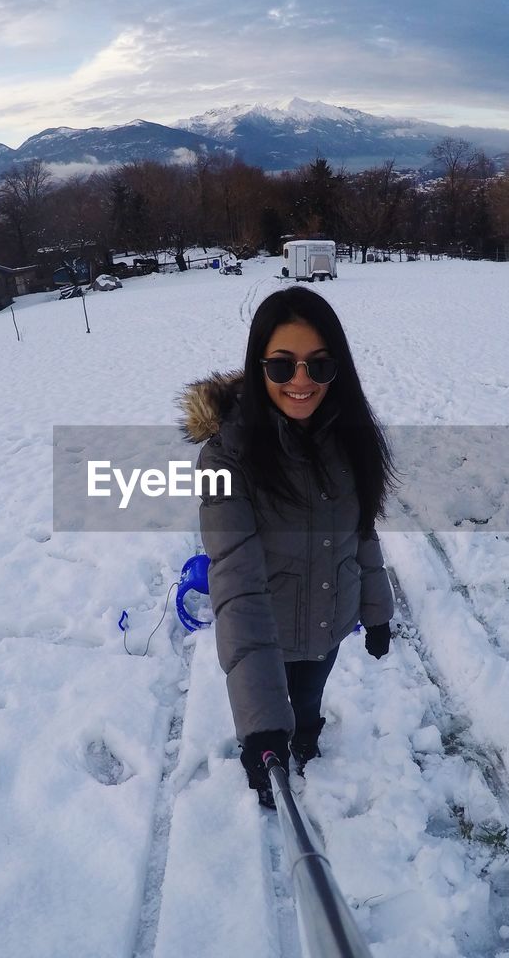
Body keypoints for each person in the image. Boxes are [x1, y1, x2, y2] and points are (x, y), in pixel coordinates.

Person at [179, 286, 396, 808]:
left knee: (308, 699)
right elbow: (235, 577)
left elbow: (361, 533)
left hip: (329, 621)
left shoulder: (350, 440)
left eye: (319, 366)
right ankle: (271, 759)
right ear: (259, 368)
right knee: (272, 710)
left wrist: (377, 609)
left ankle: (306, 737)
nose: (302, 381)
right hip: (268, 630)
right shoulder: (226, 460)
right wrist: (259, 730)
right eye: (282, 366)